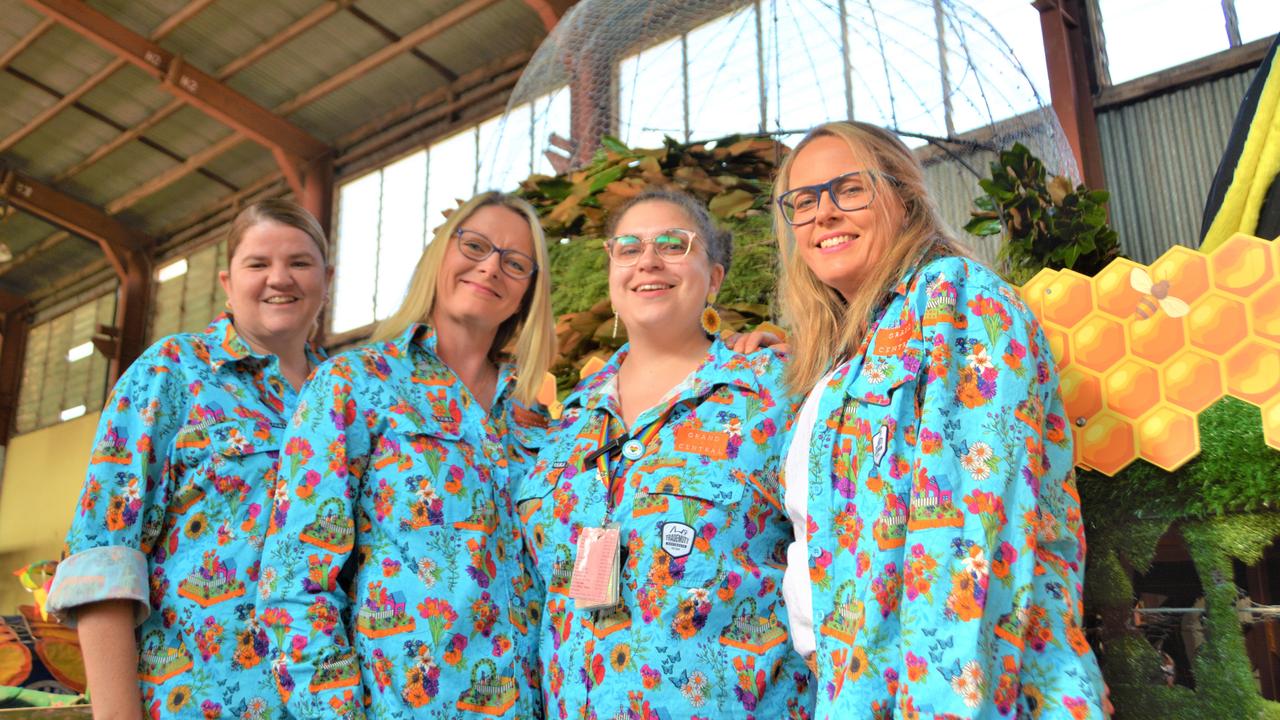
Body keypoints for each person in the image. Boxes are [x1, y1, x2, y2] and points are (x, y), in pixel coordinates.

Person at [772, 120, 1108, 718]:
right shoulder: (854, 353)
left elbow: (968, 541)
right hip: (860, 687)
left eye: (848, 189)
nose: (822, 214)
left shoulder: (955, 303)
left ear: (902, 194)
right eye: (803, 201)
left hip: (948, 695)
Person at [515, 189, 813, 719]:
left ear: (715, 277)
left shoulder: (777, 392)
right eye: (628, 248)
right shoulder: (567, 424)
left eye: (674, 244)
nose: (648, 260)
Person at [256, 192, 555, 718]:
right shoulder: (355, 385)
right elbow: (295, 582)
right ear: (441, 254)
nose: (490, 267)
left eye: (515, 263)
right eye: (476, 245)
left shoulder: (538, 421)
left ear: (527, 293)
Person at [47, 199, 331, 718]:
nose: (280, 278)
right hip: (196, 701)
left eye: (300, 262)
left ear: (326, 278)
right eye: (258, 263)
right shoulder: (173, 373)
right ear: (227, 281)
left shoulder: (353, 399)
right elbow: (104, 555)